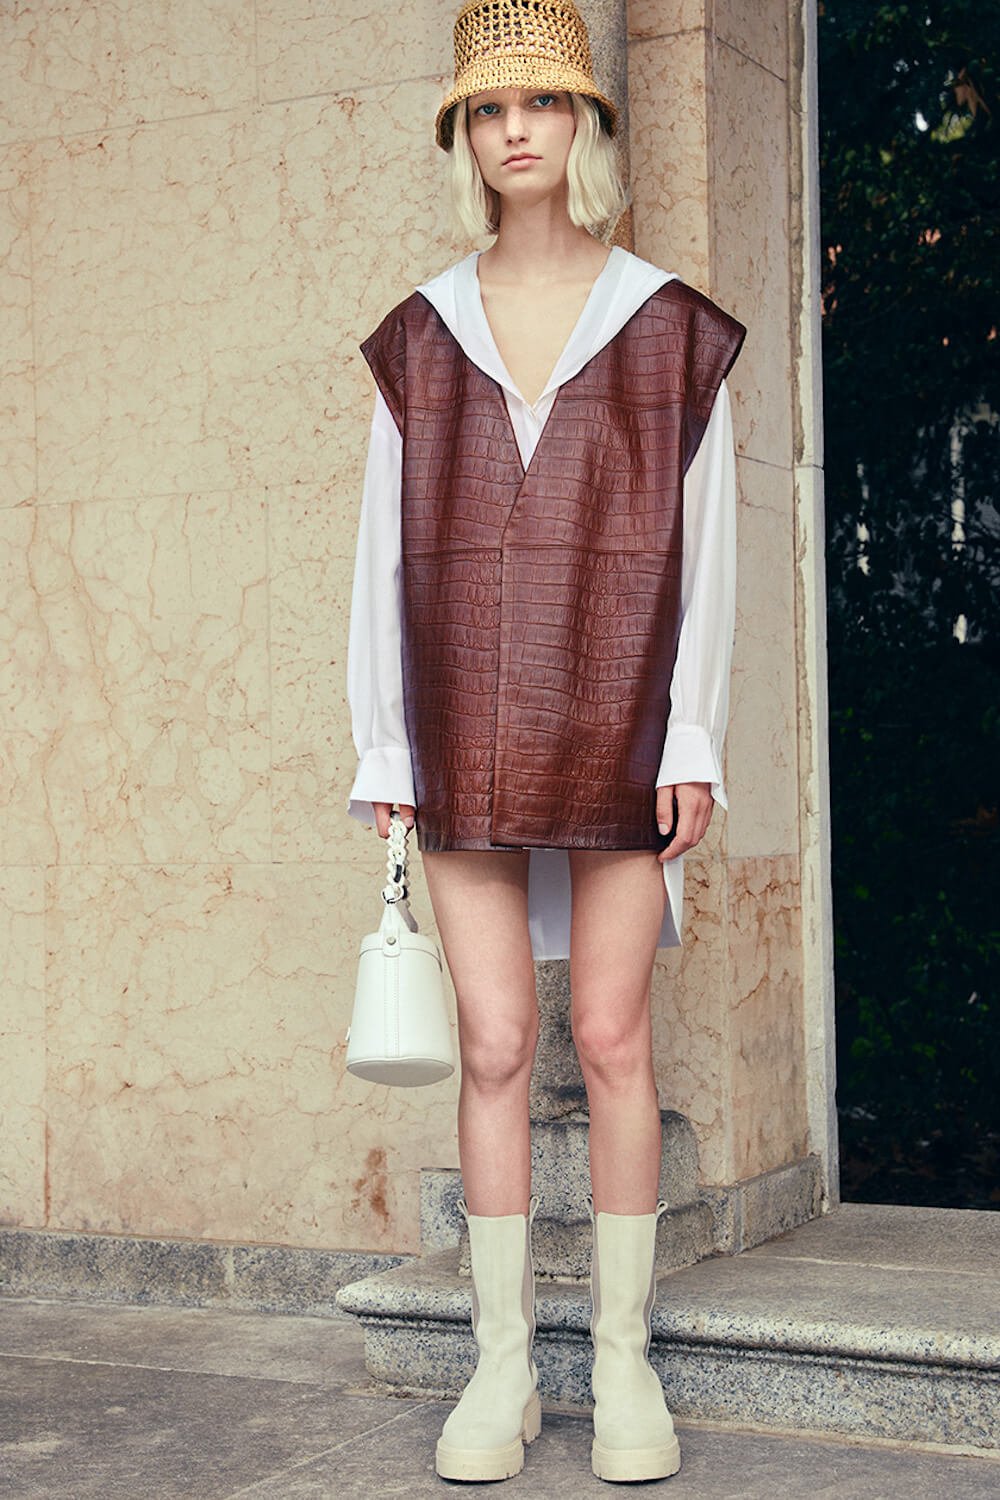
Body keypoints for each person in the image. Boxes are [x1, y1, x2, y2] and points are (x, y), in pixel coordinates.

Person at [346, 0, 745, 1483]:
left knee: (613, 1035)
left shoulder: (671, 327)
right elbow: (381, 560)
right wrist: (386, 753)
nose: (516, 129)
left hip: (622, 716)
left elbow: (708, 553)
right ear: (466, 136)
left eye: (542, 102)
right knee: (499, 1042)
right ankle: (502, 1365)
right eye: (490, 108)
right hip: (460, 723)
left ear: (583, 124)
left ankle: (625, 1361)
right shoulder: (419, 336)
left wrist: (691, 733)